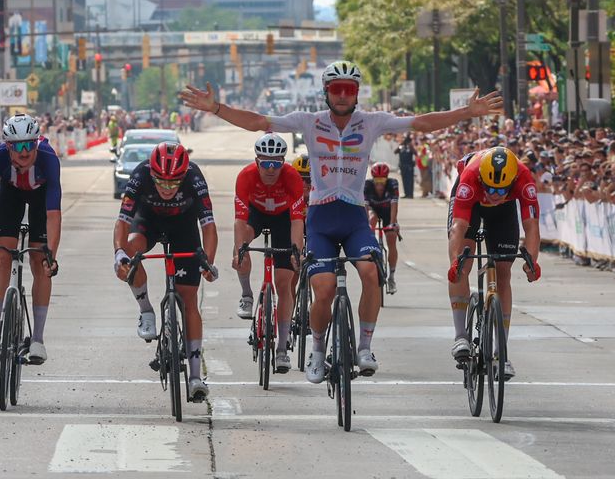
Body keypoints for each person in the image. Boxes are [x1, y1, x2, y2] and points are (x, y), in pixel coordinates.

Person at [179, 59, 503, 384]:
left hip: (353, 216)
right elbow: (257, 121)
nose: (343, 96)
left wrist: (465, 113)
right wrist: (217, 108)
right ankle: (317, 349)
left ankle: (364, 347)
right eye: (337, 90)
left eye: (349, 90)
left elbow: (420, 123)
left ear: (357, 93)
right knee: (324, 290)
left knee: (371, 272)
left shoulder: (372, 122)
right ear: (326, 92)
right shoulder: (309, 121)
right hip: (320, 217)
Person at [112, 142, 218, 401]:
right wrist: (119, 254)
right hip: (147, 221)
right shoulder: (139, 175)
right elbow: (122, 221)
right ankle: (146, 311)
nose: (167, 188)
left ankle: (195, 377)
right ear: (152, 173)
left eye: (174, 183)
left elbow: (209, 226)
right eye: (161, 182)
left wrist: (208, 262)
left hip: (184, 227)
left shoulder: (194, 176)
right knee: (130, 253)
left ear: (183, 176)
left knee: (189, 300)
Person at [0, 114, 61, 364]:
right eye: (19, 146)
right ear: (8, 147)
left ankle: (38, 340)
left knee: (39, 262)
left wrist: (51, 254)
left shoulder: (49, 159)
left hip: (41, 196)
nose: (25, 151)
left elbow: (54, 215)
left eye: (30, 144)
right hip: (9, 194)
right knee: (2, 258)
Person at [446, 146, 541, 380]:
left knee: (503, 273)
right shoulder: (470, 177)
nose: (495, 194)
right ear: (481, 179)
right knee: (463, 264)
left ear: (513, 180)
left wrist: (532, 261)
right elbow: (458, 226)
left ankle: (502, 353)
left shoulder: (524, 178)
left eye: (501, 189)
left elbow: (532, 226)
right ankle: (460, 336)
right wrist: (454, 262)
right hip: (471, 206)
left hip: (503, 214)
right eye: (490, 188)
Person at [232, 134, 305, 373]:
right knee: (241, 247)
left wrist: (296, 251)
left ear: (283, 162)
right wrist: (240, 249)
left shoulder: (292, 177)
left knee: (284, 284)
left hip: (283, 219)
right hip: (256, 213)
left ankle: (282, 349)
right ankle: (246, 294)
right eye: (266, 163)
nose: (271, 169)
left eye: (277, 163)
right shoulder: (246, 176)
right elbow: (239, 221)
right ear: (257, 161)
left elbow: (297, 221)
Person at [363, 162, 400, 294]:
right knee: (371, 220)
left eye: (382, 180)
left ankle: (391, 277)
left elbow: (394, 205)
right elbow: (366, 208)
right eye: (377, 180)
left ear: (386, 178)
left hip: (387, 211)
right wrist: (366, 227)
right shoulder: (367, 185)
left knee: (391, 238)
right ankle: (372, 245)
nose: (379, 184)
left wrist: (392, 223)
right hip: (374, 210)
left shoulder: (393, 184)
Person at [395, 134, 416, 198]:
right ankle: (406, 193)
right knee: (404, 180)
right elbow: (395, 151)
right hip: (403, 166)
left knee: (409, 180)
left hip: (409, 166)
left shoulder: (410, 147)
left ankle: (410, 194)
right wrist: (401, 144)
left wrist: (410, 146)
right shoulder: (401, 147)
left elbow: (415, 153)